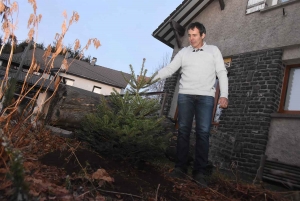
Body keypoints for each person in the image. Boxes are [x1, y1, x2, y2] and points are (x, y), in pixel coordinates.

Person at [152, 22, 228, 187]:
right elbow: (170, 69)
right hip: (185, 95)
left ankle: (199, 172)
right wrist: (151, 79)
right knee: (183, 131)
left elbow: (222, 72)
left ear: (203, 35)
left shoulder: (213, 51)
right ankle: (180, 168)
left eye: (195, 35)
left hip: (206, 98)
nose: (191, 38)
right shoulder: (184, 52)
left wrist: (224, 95)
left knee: (203, 133)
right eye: (189, 35)